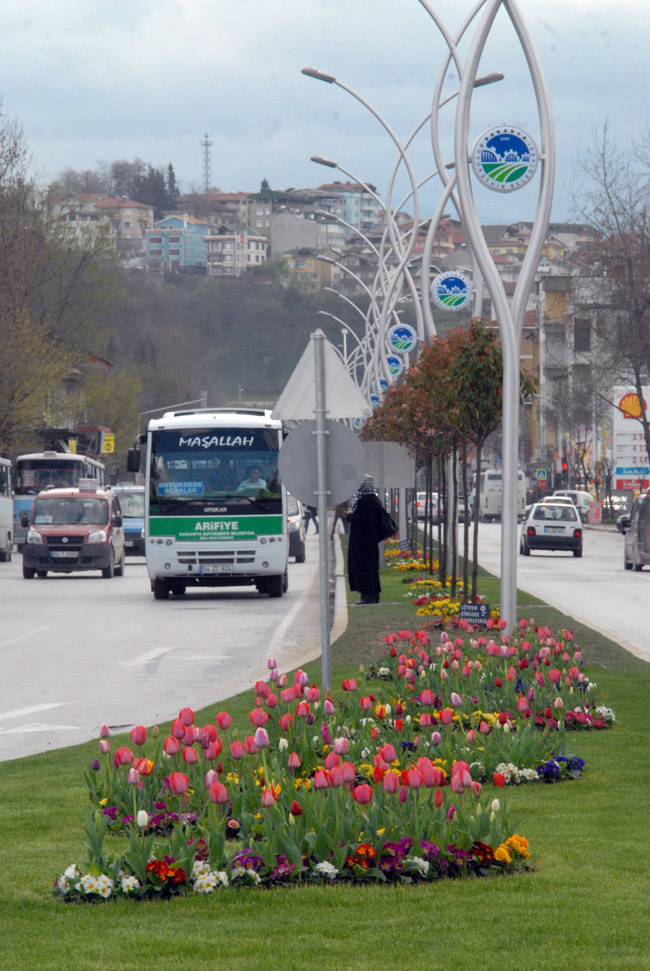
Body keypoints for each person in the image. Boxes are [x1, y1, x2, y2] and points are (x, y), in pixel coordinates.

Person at [346, 484, 387, 605]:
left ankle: (367, 597)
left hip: (362, 543)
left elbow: (359, 519)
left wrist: (348, 516)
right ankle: (373, 596)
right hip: (371, 541)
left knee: (364, 569)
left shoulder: (364, 501)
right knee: (371, 569)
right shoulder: (375, 500)